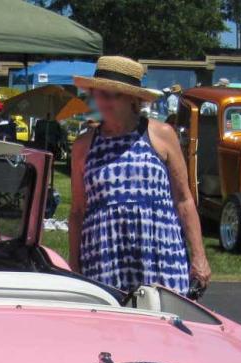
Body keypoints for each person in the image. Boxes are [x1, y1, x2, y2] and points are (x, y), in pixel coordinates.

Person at [69, 56, 210, 295]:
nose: (104, 100)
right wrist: (74, 264)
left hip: (158, 253)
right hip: (104, 257)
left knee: (164, 327)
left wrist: (199, 256)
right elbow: (78, 211)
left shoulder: (161, 134)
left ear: (133, 98)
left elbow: (183, 199)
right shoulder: (84, 145)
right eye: (99, 92)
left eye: (114, 94)